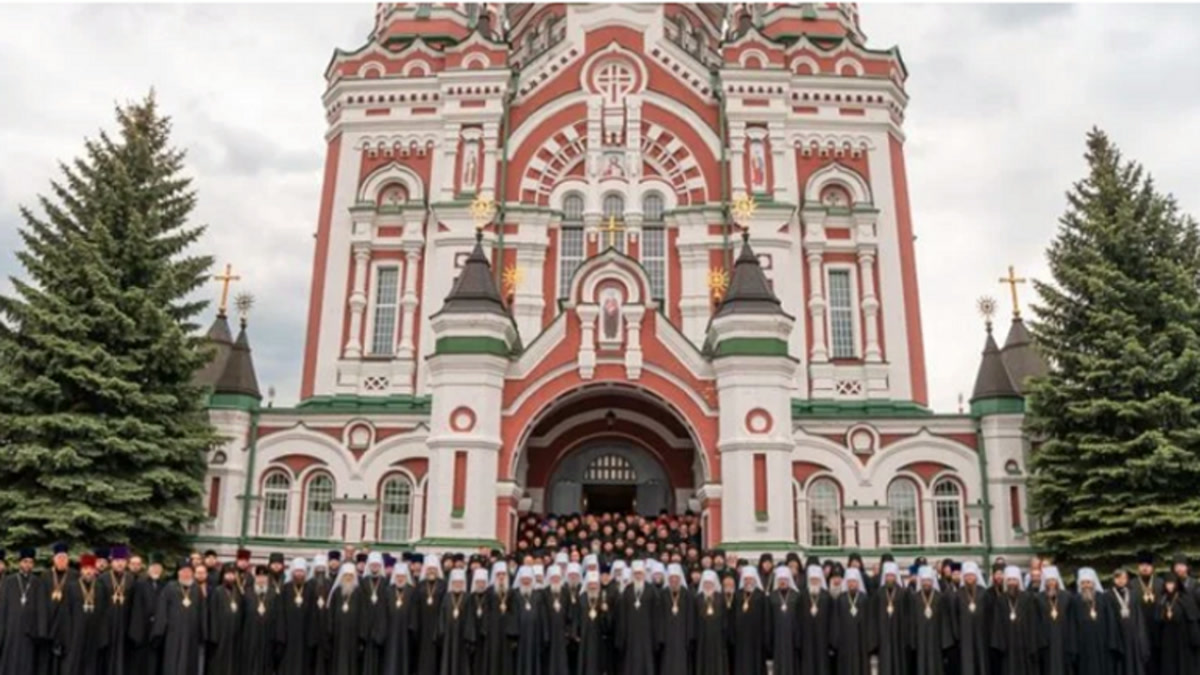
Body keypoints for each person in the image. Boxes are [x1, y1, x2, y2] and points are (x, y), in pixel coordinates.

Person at [153, 560, 205, 675]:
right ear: (178, 573)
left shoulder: (196, 589)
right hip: (173, 634)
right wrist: (160, 631)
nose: (186, 574)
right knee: (172, 663)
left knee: (189, 664)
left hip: (192, 634)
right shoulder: (170, 587)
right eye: (183, 571)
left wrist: (203, 632)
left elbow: (202, 611)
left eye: (189, 571)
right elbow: (162, 610)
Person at [991, 565, 1040, 675]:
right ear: (1006, 582)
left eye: (1014, 580)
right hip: (1007, 645)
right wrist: (1000, 645)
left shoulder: (1028, 598)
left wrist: (1032, 644)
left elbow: (1033, 623)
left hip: (1025, 644)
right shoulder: (1000, 600)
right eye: (1009, 580)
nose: (1012, 583)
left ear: (1018, 581)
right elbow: (997, 624)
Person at [128, 554, 167, 675]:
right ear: (148, 569)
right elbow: (135, 608)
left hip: (157, 630)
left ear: (162, 570)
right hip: (141, 630)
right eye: (153, 567)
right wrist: (136, 632)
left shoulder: (165, 586)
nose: (156, 570)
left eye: (158, 568)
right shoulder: (139, 584)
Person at [240, 564, 282, 675]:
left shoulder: (273, 594)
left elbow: (278, 617)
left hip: (268, 636)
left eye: (264, 576)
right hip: (250, 636)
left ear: (268, 578)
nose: (261, 579)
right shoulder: (247, 593)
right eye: (259, 576)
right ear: (255, 577)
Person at [950, 561, 989, 675]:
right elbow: (954, 615)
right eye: (967, 575)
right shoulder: (958, 594)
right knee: (967, 664)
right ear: (963, 577)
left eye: (972, 575)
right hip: (964, 637)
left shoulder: (983, 593)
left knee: (982, 663)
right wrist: (957, 634)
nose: (969, 578)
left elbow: (989, 615)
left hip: (982, 636)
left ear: (976, 576)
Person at [1073, 568, 1115, 675]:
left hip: (1102, 642)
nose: (1086, 585)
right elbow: (1072, 625)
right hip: (1083, 644)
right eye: (1083, 583)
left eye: (1088, 582)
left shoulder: (1103, 598)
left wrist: (1111, 642)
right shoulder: (1075, 600)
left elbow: (1110, 621)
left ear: (1093, 583)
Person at [1109, 568, 1151, 675]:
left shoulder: (1133, 594)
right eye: (1118, 578)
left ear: (1127, 579)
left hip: (1133, 637)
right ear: (1114, 579)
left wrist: (1141, 636)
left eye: (1123, 578)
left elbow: (1139, 616)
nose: (1121, 580)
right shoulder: (1108, 595)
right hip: (1118, 636)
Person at [1156, 574, 1200, 675]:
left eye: (1172, 584)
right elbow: (1158, 620)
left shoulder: (1185, 598)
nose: (1170, 586)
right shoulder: (1163, 599)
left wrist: (1195, 639)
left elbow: (1192, 619)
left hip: (1183, 639)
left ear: (1177, 584)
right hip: (1167, 639)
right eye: (1168, 584)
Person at [871, 560, 909, 675]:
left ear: (896, 577)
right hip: (883, 635)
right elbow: (874, 616)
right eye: (888, 576)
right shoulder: (879, 593)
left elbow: (907, 615)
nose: (890, 578)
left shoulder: (903, 593)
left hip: (899, 634)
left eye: (892, 576)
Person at [100, 546, 134, 675]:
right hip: (107, 624)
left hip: (124, 623)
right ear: (111, 562)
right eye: (117, 560)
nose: (120, 563)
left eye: (123, 560)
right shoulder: (102, 579)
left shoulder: (130, 578)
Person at [830, 567, 870, 675]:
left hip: (861, 641)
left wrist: (869, 641)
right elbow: (836, 621)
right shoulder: (841, 599)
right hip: (844, 642)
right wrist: (836, 641)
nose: (852, 584)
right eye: (849, 582)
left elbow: (869, 622)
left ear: (858, 583)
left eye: (854, 581)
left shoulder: (864, 599)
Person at [1037, 566, 1076, 675]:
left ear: (1057, 581)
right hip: (1046, 641)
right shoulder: (1038, 598)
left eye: (1053, 580)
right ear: (1044, 582)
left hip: (1064, 639)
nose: (1051, 583)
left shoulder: (1067, 596)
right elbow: (1037, 621)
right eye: (1048, 581)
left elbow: (1072, 620)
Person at [912, 565, 950, 675]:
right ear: (920, 582)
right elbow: (912, 622)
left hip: (936, 640)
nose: (926, 583)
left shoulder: (940, 597)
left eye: (928, 580)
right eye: (924, 581)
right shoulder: (915, 598)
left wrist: (944, 642)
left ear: (933, 581)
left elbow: (944, 621)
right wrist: (913, 641)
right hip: (920, 640)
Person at [279, 557, 314, 675]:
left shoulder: (310, 590)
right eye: (297, 571)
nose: (299, 574)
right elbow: (281, 614)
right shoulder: (285, 589)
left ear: (305, 573)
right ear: (292, 572)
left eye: (301, 571)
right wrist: (281, 636)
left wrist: (311, 639)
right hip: (287, 638)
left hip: (304, 638)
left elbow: (313, 615)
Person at [659, 563, 694, 675]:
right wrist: (661, 637)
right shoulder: (663, 594)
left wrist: (689, 636)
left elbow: (690, 616)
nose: (674, 580)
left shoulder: (687, 594)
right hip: (667, 636)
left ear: (680, 579)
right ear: (668, 579)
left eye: (676, 578)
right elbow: (659, 617)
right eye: (671, 578)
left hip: (682, 636)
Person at [357, 552, 389, 675]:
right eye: (372, 564)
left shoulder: (386, 582)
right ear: (369, 566)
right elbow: (360, 606)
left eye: (377, 564)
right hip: (366, 629)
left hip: (381, 628)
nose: (375, 566)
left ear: (380, 566)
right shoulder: (363, 582)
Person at [511, 566, 546, 675]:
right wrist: (513, 636)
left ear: (532, 580)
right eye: (524, 579)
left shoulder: (538, 595)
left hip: (535, 634)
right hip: (520, 635)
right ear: (520, 580)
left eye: (528, 579)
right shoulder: (515, 594)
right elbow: (512, 615)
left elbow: (542, 616)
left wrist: (544, 635)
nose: (526, 581)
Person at [207, 563, 242, 675]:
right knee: (219, 663)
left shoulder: (238, 592)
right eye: (227, 574)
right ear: (223, 576)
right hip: (220, 635)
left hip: (234, 635)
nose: (230, 577)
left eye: (232, 574)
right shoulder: (217, 591)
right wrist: (214, 636)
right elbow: (212, 614)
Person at [574, 570, 611, 675]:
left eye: (595, 584)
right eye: (591, 584)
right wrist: (575, 633)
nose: (593, 586)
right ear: (587, 584)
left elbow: (607, 622)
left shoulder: (602, 598)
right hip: (585, 635)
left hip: (598, 635)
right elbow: (576, 616)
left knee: (598, 661)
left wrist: (605, 612)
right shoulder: (582, 598)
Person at [414, 554, 445, 675]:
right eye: (429, 569)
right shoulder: (420, 585)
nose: (431, 571)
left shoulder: (443, 585)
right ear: (425, 570)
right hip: (422, 627)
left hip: (437, 627)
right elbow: (415, 607)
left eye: (434, 569)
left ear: (438, 570)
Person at [328, 566, 362, 675]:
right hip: (338, 635)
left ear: (354, 577)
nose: (348, 578)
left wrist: (361, 635)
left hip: (353, 636)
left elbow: (363, 614)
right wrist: (330, 631)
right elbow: (330, 613)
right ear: (341, 577)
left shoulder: (358, 592)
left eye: (350, 576)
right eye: (346, 575)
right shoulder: (336, 592)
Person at [767, 566, 801, 675]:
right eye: (780, 579)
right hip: (777, 637)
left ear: (789, 580)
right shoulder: (771, 596)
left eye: (785, 579)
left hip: (792, 637)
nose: (782, 582)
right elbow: (768, 620)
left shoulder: (796, 596)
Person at [798, 564, 831, 675]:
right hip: (806, 638)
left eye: (816, 579)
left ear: (820, 580)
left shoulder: (826, 596)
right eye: (812, 579)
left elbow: (831, 620)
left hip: (823, 638)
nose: (814, 582)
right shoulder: (802, 596)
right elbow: (798, 618)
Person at [543, 564, 572, 675]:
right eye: (553, 577)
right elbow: (543, 614)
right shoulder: (545, 593)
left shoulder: (565, 592)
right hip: (549, 631)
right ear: (550, 579)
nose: (555, 580)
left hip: (562, 631)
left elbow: (570, 613)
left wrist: (568, 631)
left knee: (562, 658)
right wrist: (545, 633)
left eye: (557, 577)